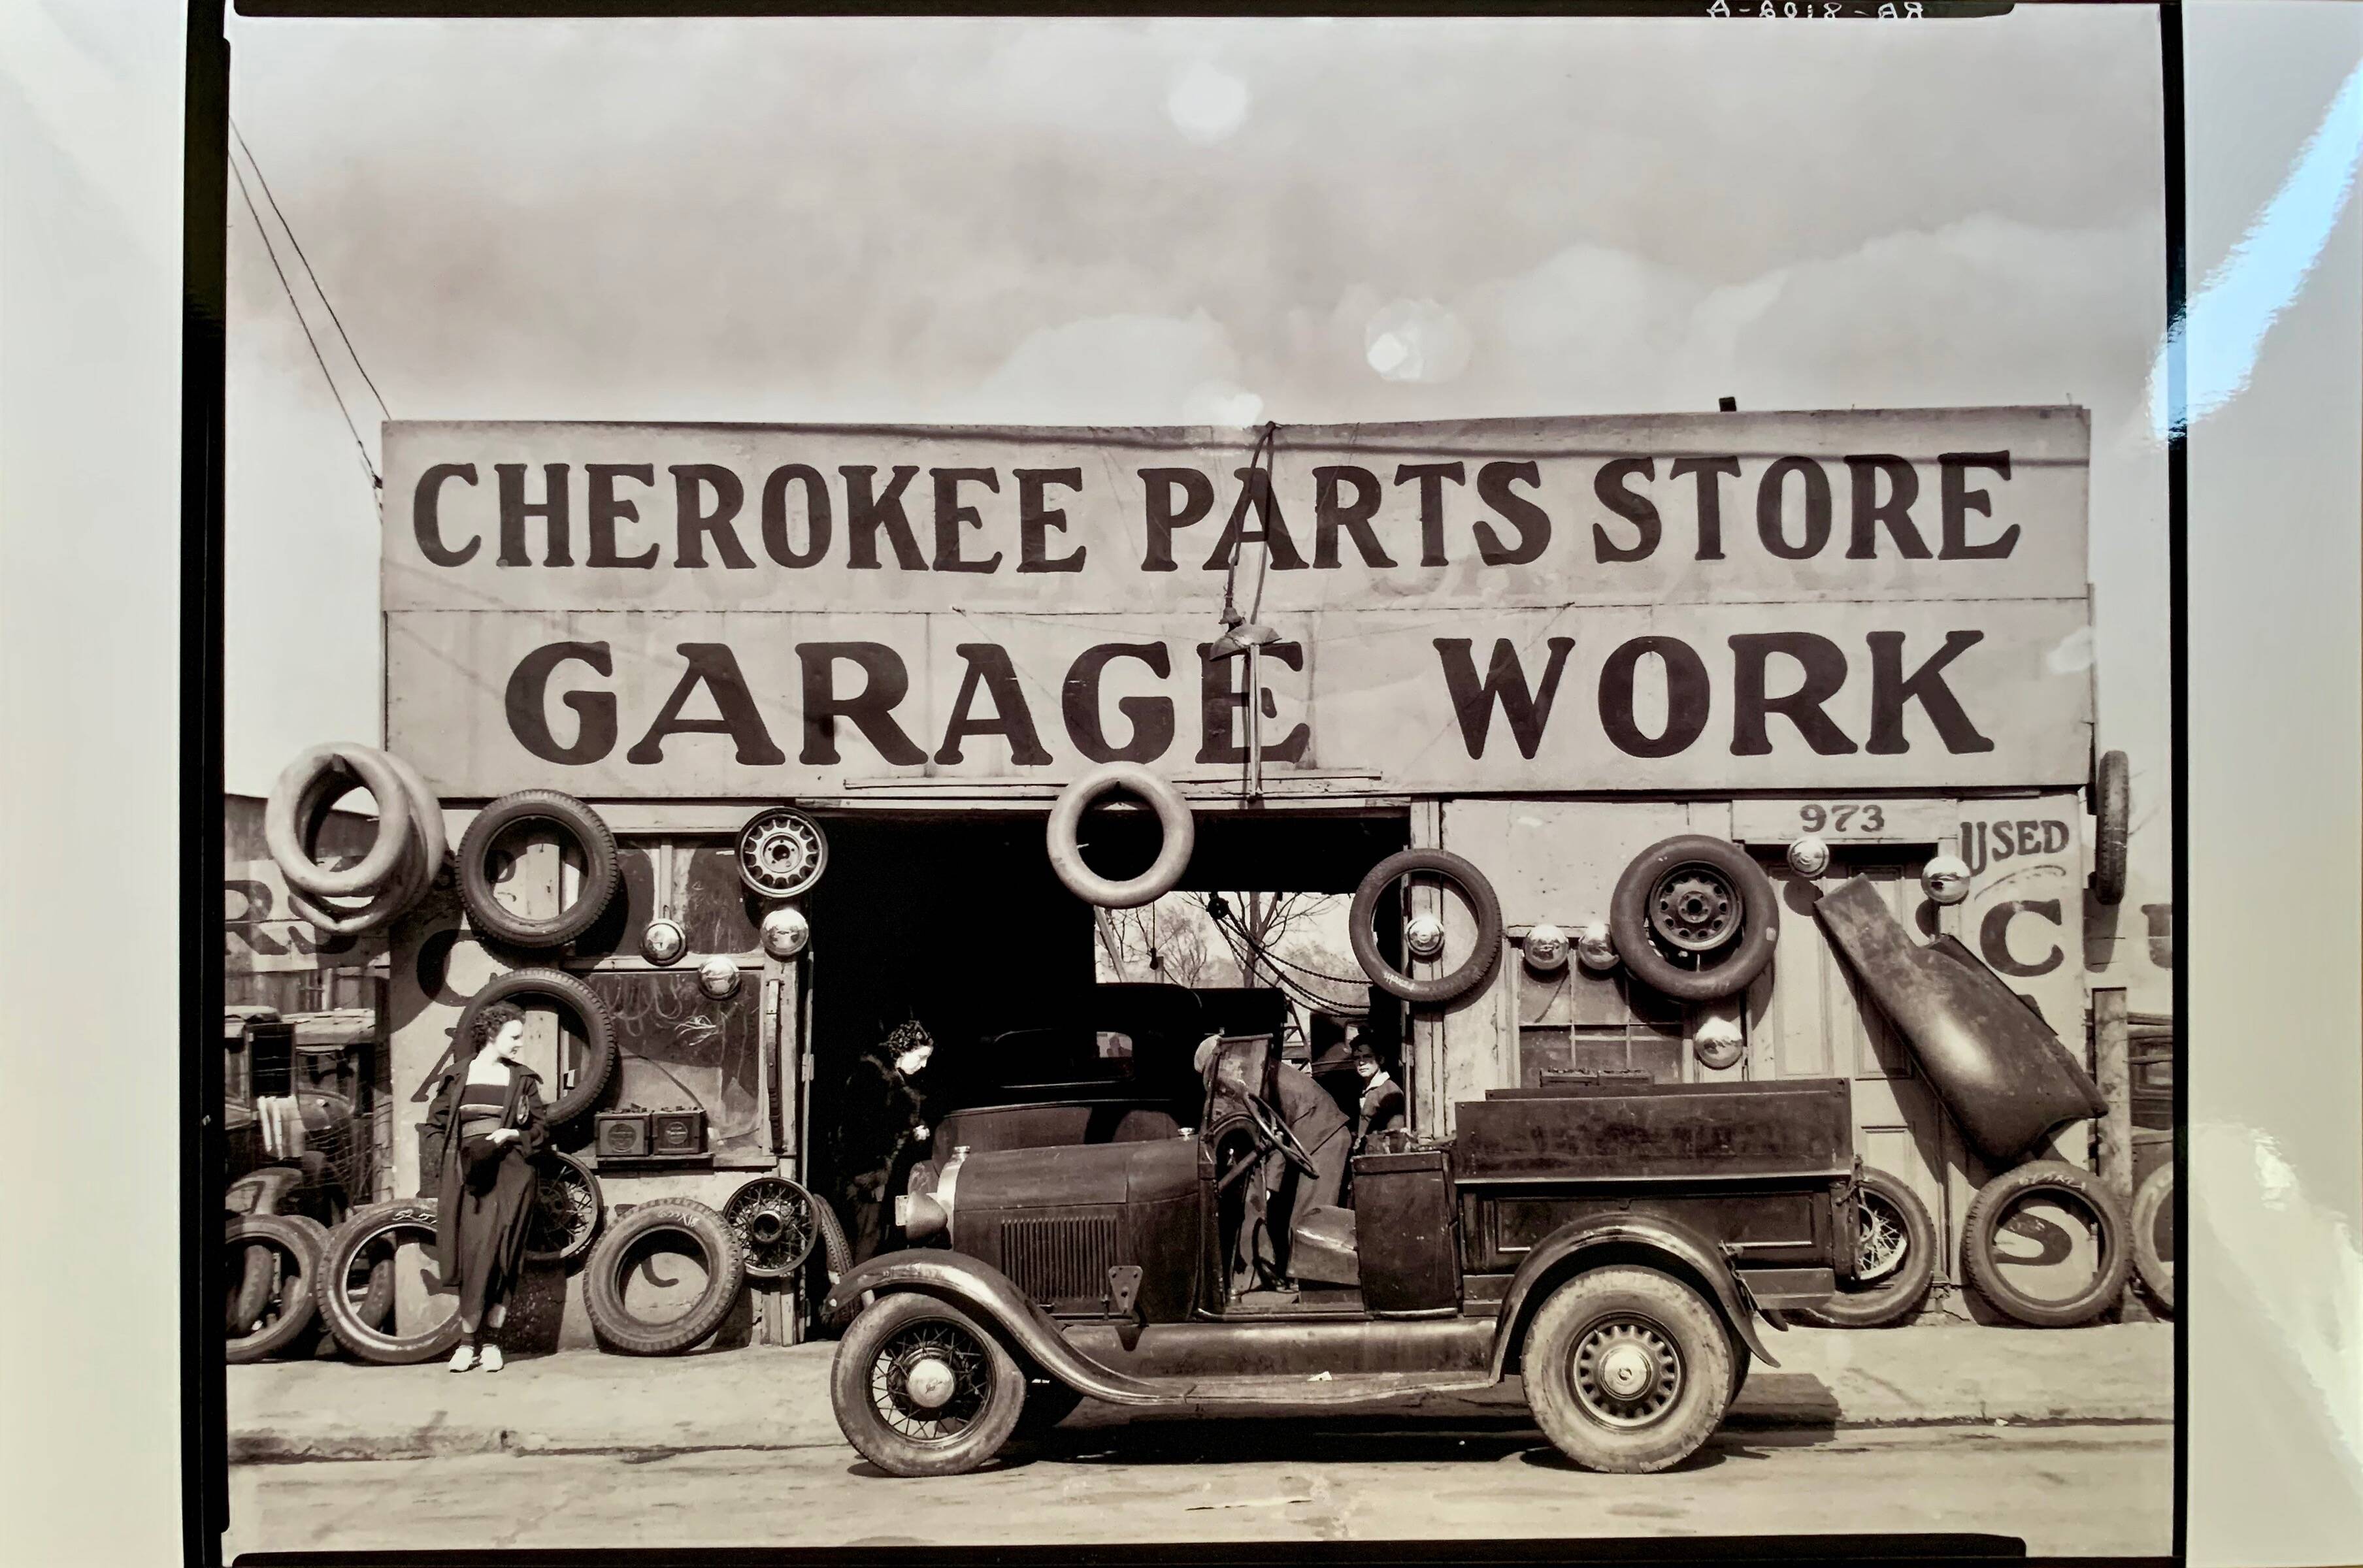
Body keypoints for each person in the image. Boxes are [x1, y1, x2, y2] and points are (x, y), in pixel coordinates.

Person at [422, 1001, 550, 1373]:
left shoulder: (523, 1080)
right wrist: (448, 1166)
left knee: (503, 1256)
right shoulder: (457, 1076)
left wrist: (513, 1133)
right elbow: (435, 1125)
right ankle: (466, 1345)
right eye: (514, 1037)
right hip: (469, 1178)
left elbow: (541, 1130)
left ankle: (492, 1343)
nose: (520, 1044)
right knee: (473, 1254)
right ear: (492, 1035)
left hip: (511, 1177)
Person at [1195, 1032, 1350, 1291]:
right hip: (1308, 1138)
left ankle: (1315, 1292)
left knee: (1309, 1222)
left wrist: (1268, 1188)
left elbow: (1275, 1134)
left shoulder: (1255, 1078)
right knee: (1287, 1216)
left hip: (1324, 1138)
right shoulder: (1255, 1074)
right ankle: (1291, 1279)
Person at [1349, 1037, 1408, 1155]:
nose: (1361, 1062)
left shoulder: (1390, 1092)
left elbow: (1394, 1137)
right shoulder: (1365, 1089)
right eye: (1357, 1058)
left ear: (1380, 1059)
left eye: (1367, 1057)